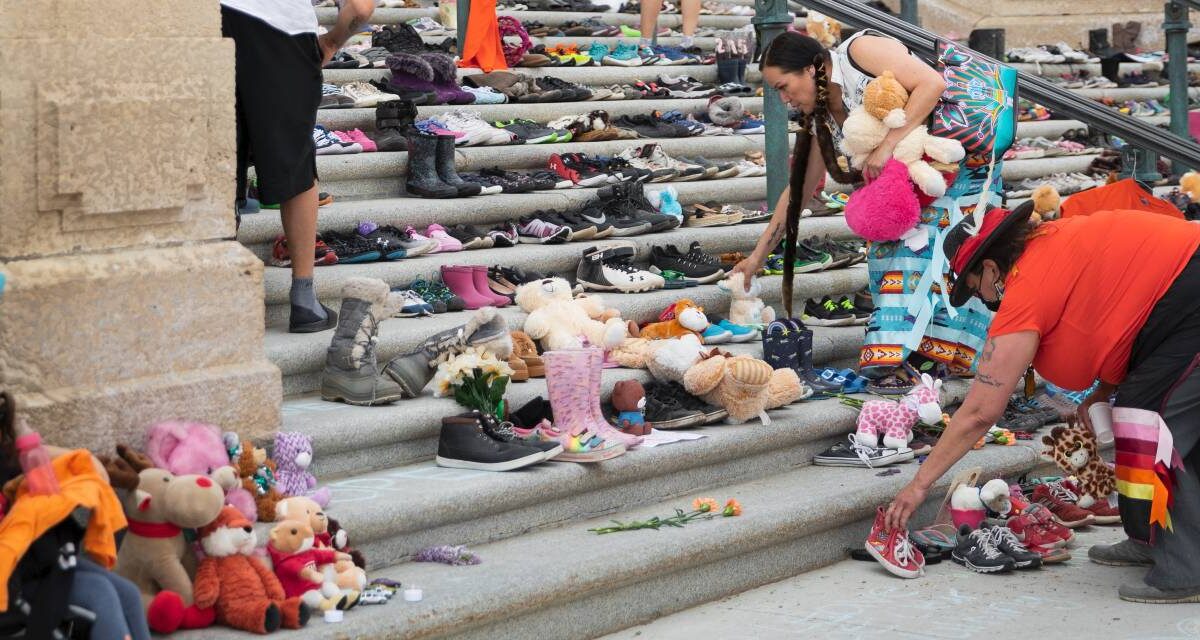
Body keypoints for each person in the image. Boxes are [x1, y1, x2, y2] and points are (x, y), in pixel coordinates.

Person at [885, 204, 1200, 604]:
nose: (980, 300)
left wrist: (919, 485)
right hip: (1179, 305)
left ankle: (1187, 569)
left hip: (1190, 300)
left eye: (975, 285)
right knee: (1145, 416)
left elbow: (981, 412)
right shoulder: (1053, 246)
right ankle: (1150, 539)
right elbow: (1122, 305)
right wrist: (1104, 391)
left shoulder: (1026, 287)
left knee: (1148, 425)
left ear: (992, 270)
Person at [730, 31, 1003, 390]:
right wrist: (757, 256)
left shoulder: (858, 51)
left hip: (957, 168)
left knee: (945, 258)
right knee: (893, 257)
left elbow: (931, 83)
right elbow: (797, 192)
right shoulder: (822, 117)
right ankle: (909, 361)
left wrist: (888, 145)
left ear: (811, 69)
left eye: (784, 86)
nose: (784, 99)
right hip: (907, 185)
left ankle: (924, 361)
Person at [220, 0, 374, 333]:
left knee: (220, 158)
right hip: (283, 30)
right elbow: (360, 10)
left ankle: (219, 289)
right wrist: (332, 41)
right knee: (296, 165)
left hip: (209, 23)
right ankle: (304, 301)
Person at [0, 391, 146, 639]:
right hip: (12, 585)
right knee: (100, 594)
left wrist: (31, 447)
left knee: (129, 593)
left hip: (39, 562)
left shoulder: (9, 457)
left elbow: (88, 467)